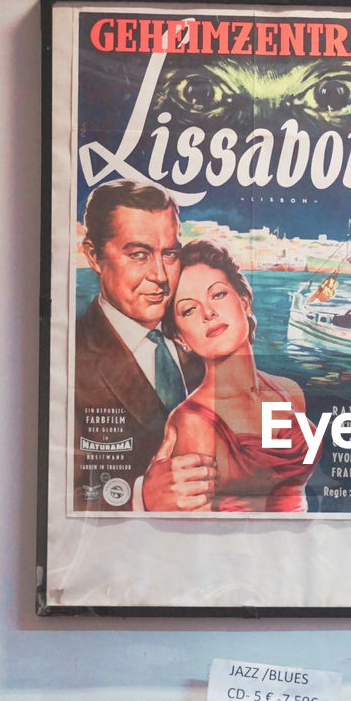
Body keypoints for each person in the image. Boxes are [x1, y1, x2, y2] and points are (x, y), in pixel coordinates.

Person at [74, 179, 216, 512]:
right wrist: (141, 497)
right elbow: (53, 497)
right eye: (139, 255)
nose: (160, 276)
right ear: (93, 256)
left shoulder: (199, 344)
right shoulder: (71, 359)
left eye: (170, 255)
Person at [155, 240, 315, 512]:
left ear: (244, 302)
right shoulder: (193, 423)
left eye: (217, 295)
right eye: (189, 309)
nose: (208, 313)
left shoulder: (290, 391)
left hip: (302, 547)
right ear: (181, 338)